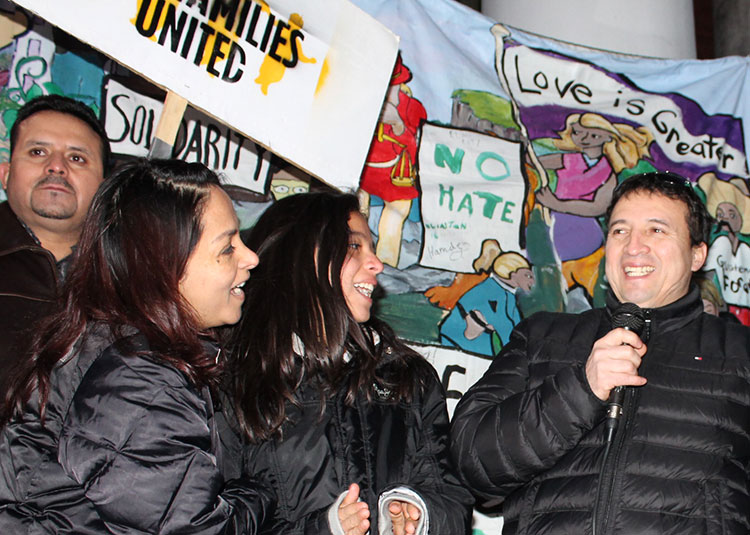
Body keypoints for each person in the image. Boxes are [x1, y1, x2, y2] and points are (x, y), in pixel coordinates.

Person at [450, 171, 750, 534]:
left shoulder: (740, 353)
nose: (634, 247)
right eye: (620, 231)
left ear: (697, 254)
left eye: (656, 230)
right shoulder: (541, 336)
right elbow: (470, 464)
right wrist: (581, 389)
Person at [0, 159, 274, 533]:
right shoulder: (140, 380)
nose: (251, 257)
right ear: (162, 265)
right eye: (227, 247)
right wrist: (261, 492)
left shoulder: (121, 349)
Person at [225, 191, 472, 535]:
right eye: (354, 246)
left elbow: (452, 500)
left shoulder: (408, 377)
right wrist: (324, 530)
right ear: (301, 256)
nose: (377, 264)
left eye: (372, 247)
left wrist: (419, 515)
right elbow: (221, 521)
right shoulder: (237, 379)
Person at [0, 95, 110, 393]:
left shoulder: (130, 282)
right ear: (6, 174)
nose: (56, 167)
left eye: (77, 158)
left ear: (104, 187)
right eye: (38, 152)